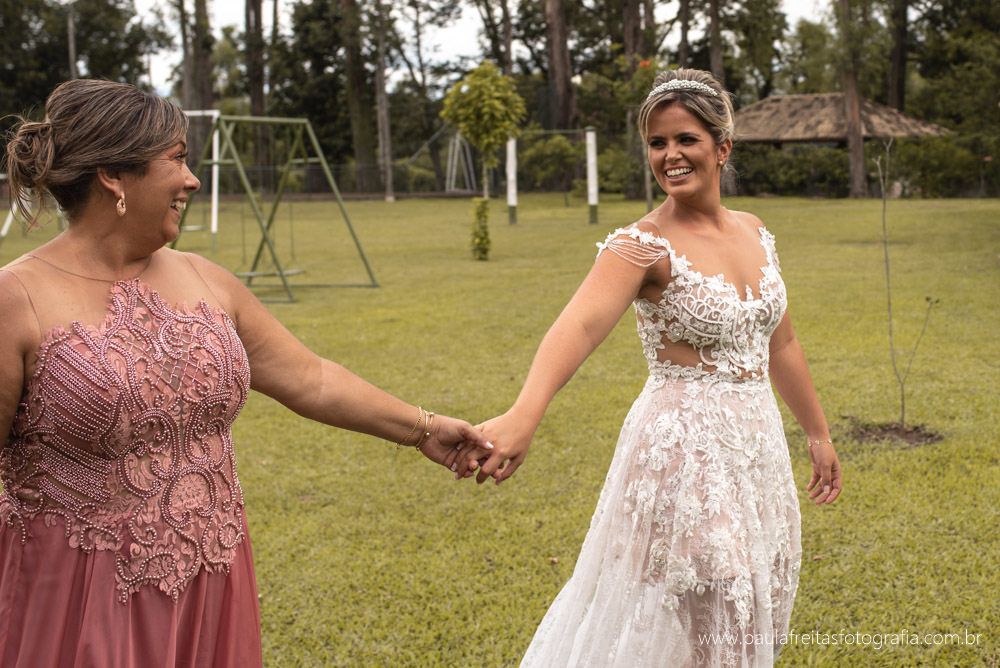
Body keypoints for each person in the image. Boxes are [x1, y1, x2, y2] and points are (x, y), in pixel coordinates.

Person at [0, 79, 489, 667]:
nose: (193, 179)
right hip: (77, 594)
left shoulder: (207, 279)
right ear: (114, 176)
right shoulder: (17, 298)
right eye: (177, 159)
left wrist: (422, 428)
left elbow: (311, 379)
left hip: (212, 576)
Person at [452, 69, 843, 666]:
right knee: (719, 591)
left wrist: (817, 432)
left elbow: (781, 342)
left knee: (764, 586)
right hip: (681, 446)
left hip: (755, 442)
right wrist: (526, 412)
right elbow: (577, 326)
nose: (671, 156)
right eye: (657, 143)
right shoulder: (640, 245)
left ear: (722, 146)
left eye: (686, 139)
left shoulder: (756, 231)